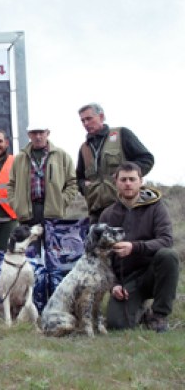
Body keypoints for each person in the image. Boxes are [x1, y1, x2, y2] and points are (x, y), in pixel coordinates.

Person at [99, 162, 179, 332]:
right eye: (123, 179)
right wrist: (113, 285)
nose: (128, 183)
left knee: (168, 255)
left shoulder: (156, 208)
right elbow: (102, 257)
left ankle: (159, 315)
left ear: (141, 181)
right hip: (126, 280)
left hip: (152, 273)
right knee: (117, 325)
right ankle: (142, 312)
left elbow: (166, 240)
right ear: (116, 182)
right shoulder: (107, 214)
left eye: (132, 179)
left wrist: (135, 247)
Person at [76, 103, 154, 223]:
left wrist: (127, 175)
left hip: (124, 207)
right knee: (97, 242)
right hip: (96, 212)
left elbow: (146, 159)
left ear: (101, 117)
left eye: (89, 118)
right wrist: (84, 186)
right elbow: (78, 177)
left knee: (125, 242)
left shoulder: (121, 134)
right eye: (83, 121)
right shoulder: (83, 148)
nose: (86, 123)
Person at [7, 125, 77, 250]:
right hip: (28, 213)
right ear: (29, 135)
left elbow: (72, 183)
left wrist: (62, 201)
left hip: (53, 212)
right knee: (30, 254)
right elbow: (11, 184)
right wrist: (16, 203)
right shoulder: (19, 158)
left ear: (47, 133)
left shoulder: (62, 156)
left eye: (41, 133)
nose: (38, 136)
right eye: (34, 133)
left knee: (54, 254)